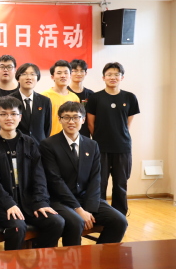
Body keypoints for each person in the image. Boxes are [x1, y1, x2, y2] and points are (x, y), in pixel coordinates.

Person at [0, 96, 64, 250]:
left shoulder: (29, 142)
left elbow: (39, 176)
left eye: (13, 114)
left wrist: (40, 202)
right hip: (1, 205)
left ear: (20, 117)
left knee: (56, 222)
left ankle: (37, 258)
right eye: (4, 114)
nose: (9, 118)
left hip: (29, 203)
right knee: (17, 227)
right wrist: (9, 204)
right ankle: (13, 264)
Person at [40, 102, 128, 246]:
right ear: (59, 119)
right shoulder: (48, 145)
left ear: (83, 119)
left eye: (76, 117)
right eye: (66, 117)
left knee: (119, 221)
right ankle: (74, 259)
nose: (71, 121)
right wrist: (79, 210)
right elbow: (55, 181)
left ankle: (101, 257)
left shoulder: (92, 145)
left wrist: (88, 209)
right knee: (77, 222)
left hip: (86, 198)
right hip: (60, 200)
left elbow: (95, 178)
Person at [86, 62, 139, 215]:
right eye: (109, 74)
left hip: (122, 147)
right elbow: (90, 124)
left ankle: (120, 214)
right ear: (103, 77)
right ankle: (101, 213)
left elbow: (127, 124)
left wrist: (119, 137)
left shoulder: (130, 97)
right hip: (101, 148)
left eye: (116, 74)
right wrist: (100, 139)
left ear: (122, 77)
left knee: (121, 183)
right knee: (100, 183)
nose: (113, 77)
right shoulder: (95, 98)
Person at [9, 63, 52, 144]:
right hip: (17, 145)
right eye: (24, 74)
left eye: (32, 74)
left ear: (37, 78)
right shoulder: (9, 100)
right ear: (18, 78)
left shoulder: (45, 101)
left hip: (39, 146)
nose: (28, 77)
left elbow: (47, 127)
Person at [40, 60, 80, 136]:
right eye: (59, 73)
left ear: (70, 76)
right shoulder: (44, 96)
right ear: (52, 77)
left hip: (69, 138)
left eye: (66, 73)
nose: (63, 76)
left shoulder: (75, 98)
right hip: (49, 139)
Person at [68, 59, 95, 137]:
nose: (79, 74)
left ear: (86, 73)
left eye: (82, 71)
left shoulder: (91, 94)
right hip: (67, 133)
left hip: (85, 135)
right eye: (75, 71)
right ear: (70, 73)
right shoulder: (65, 92)